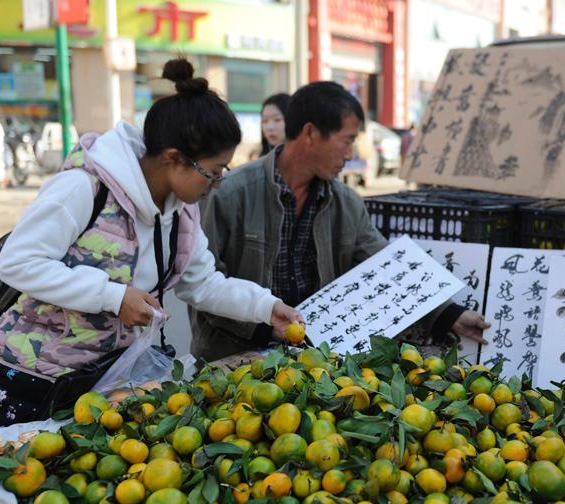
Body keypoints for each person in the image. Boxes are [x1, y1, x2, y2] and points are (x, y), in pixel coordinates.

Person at [0, 58, 302, 430]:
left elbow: (204, 284)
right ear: (174, 158)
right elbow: (19, 262)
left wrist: (266, 307)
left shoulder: (181, 212)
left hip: (106, 380)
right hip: (34, 379)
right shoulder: (85, 187)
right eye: (212, 173)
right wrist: (113, 297)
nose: (217, 184)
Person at [189, 81, 488, 362]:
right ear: (310, 133)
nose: (350, 153)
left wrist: (448, 314)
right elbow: (206, 283)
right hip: (234, 358)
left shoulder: (347, 203)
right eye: (347, 141)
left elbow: (388, 265)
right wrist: (267, 327)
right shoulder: (230, 194)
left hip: (316, 359)